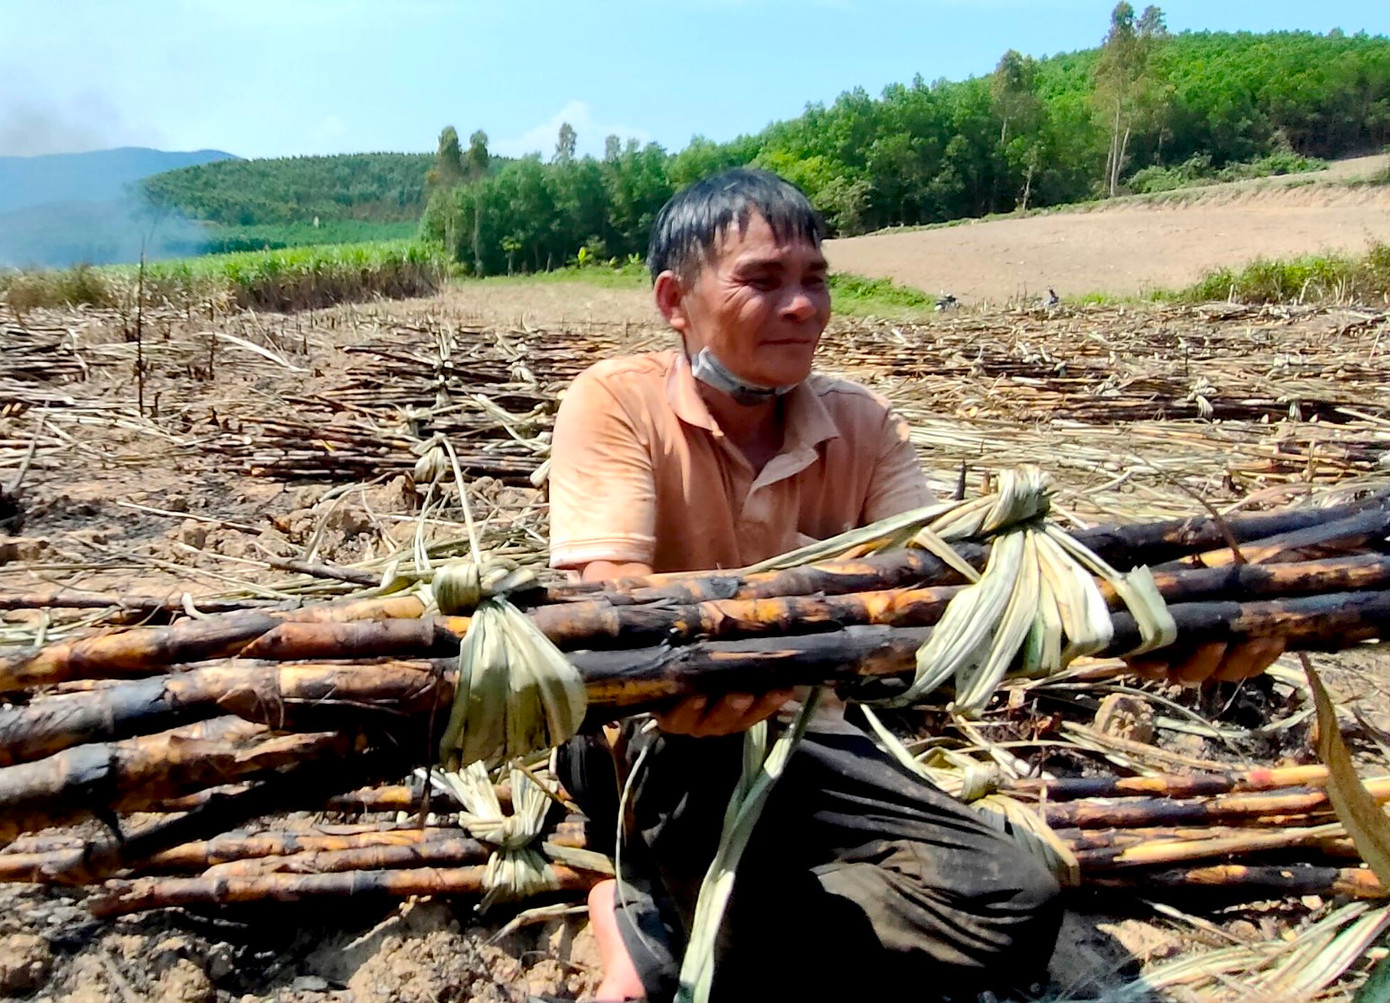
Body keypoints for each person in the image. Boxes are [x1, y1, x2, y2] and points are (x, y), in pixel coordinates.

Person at [546, 168, 1282, 1002]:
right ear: (675, 301)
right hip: (657, 736)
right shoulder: (616, 403)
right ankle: (677, 904)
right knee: (707, 790)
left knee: (1014, 901)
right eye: (763, 280)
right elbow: (611, 605)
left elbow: (954, 595)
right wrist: (698, 670)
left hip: (809, 742)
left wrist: (1148, 630)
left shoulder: (862, 423)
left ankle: (666, 917)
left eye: (815, 279)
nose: (804, 306)